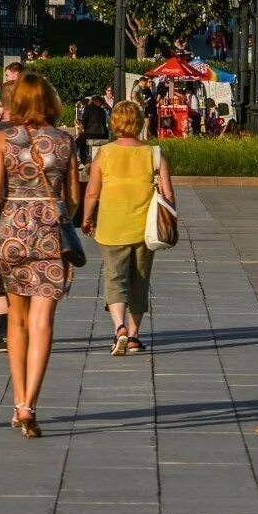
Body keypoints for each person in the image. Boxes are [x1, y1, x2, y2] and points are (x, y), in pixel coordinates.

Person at [0, 73, 80, 438]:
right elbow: (73, 199)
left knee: (16, 321)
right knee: (42, 321)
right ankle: (29, 404)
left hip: (11, 233)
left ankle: (17, 399)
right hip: (50, 233)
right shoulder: (65, 142)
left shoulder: (4, 139)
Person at [82, 99, 174, 354]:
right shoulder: (154, 153)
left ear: (115, 124)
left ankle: (119, 327)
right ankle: (133, 336)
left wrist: (87, 218)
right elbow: (168, 195)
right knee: (139, 281)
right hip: (146, 229)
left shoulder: (105, 153)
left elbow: (92, 192)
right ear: (139, 123)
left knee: (115, 278)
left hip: (111, 227)